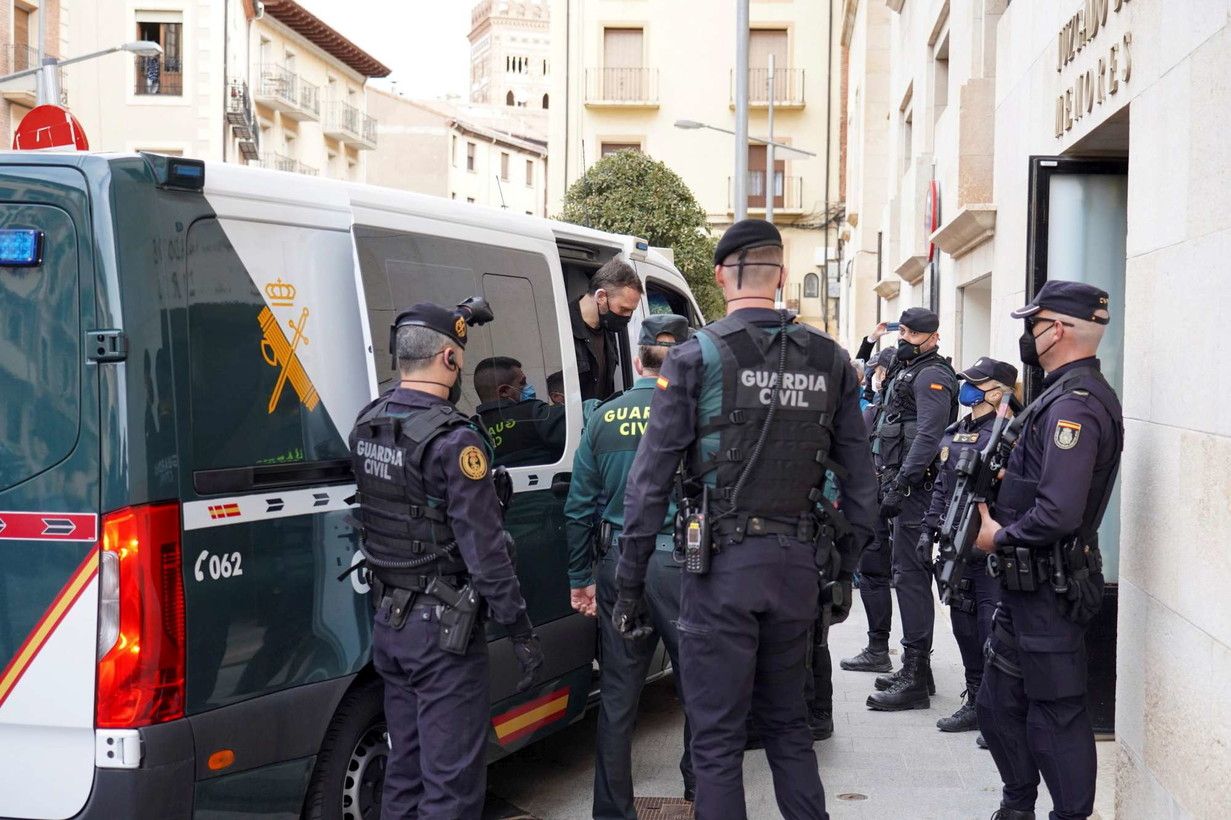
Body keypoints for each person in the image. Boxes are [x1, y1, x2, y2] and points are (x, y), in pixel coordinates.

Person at [614, 219, 878, 819]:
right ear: (781, 276)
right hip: (796, 568)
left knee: (716, 739)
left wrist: (629, 584)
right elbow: (862, 485)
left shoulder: (693, 357)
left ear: (719, 276)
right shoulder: (831, 359)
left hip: (721, 571)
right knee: (788, 725)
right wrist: (842, 571)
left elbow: (648, 485)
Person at [348, 301, 545, 820]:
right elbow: (486, 552)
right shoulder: (454, 441)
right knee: (451, 786)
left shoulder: (368, 423)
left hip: (390, 621)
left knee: (405, 772)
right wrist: (520, 629)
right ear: (450, 358)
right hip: (442, 635)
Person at [974, 281, 1122, 820]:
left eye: (1032, 324)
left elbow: (1059, 512)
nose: (1028, 336)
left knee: (1055, 717)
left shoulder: (1075, 407)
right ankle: (1017, 806)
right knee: (997, 706)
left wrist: (997, 537)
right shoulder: (1058, 394)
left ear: (1055, 329)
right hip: (1025, 587)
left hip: (1050, 589)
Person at [564, 313, 696, 818]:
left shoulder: (603, 418)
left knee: (618, 696)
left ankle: (611, 809)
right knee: (699, 688)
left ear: (638, 360)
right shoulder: (695, 413)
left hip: (619, 562)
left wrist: (580, 579)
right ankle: (700, 791)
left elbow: (578, 508)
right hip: (681, 566)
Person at [919, 356, 1019, 735]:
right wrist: (928, 531)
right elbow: (941, 488)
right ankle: (975, 701)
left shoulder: (1007, 437)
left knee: (991, 629)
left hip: (990, 547)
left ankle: (998, 712)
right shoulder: (955, 431)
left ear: (997, 393)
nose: (968, 388)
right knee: (963, 625)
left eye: (977, 383)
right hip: (955, 545)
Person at [865, 307, 957, 710]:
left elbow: (929, 434)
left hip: (915, 490)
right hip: (899, 485)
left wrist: (902, 482)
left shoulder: (932, 375)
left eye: (911, 333)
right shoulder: (909, 370)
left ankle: (916, 676)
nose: (903, 338)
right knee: (903, 574)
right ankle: (918, 670)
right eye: (901, 331)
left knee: (911, 576)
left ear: (932, 337)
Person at [842, 344, 898, 675]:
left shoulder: (878, 411)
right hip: (900, 499)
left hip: (882, 498)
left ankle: (879, 650)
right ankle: (915, 664)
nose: (873, 378)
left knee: (874, 574)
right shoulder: (893, 407)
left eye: (877, 372)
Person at [570, 258, 644, 401]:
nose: (628, 316)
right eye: (624, 309)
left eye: (631, 311)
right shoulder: (563, 329)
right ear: (601, 297)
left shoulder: (609, 330)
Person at [472, 356, 566, 467]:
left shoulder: (469, 430)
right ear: (504, 391)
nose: (528, 387)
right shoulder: (534, 413)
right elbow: (577, 423)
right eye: (522, 383)